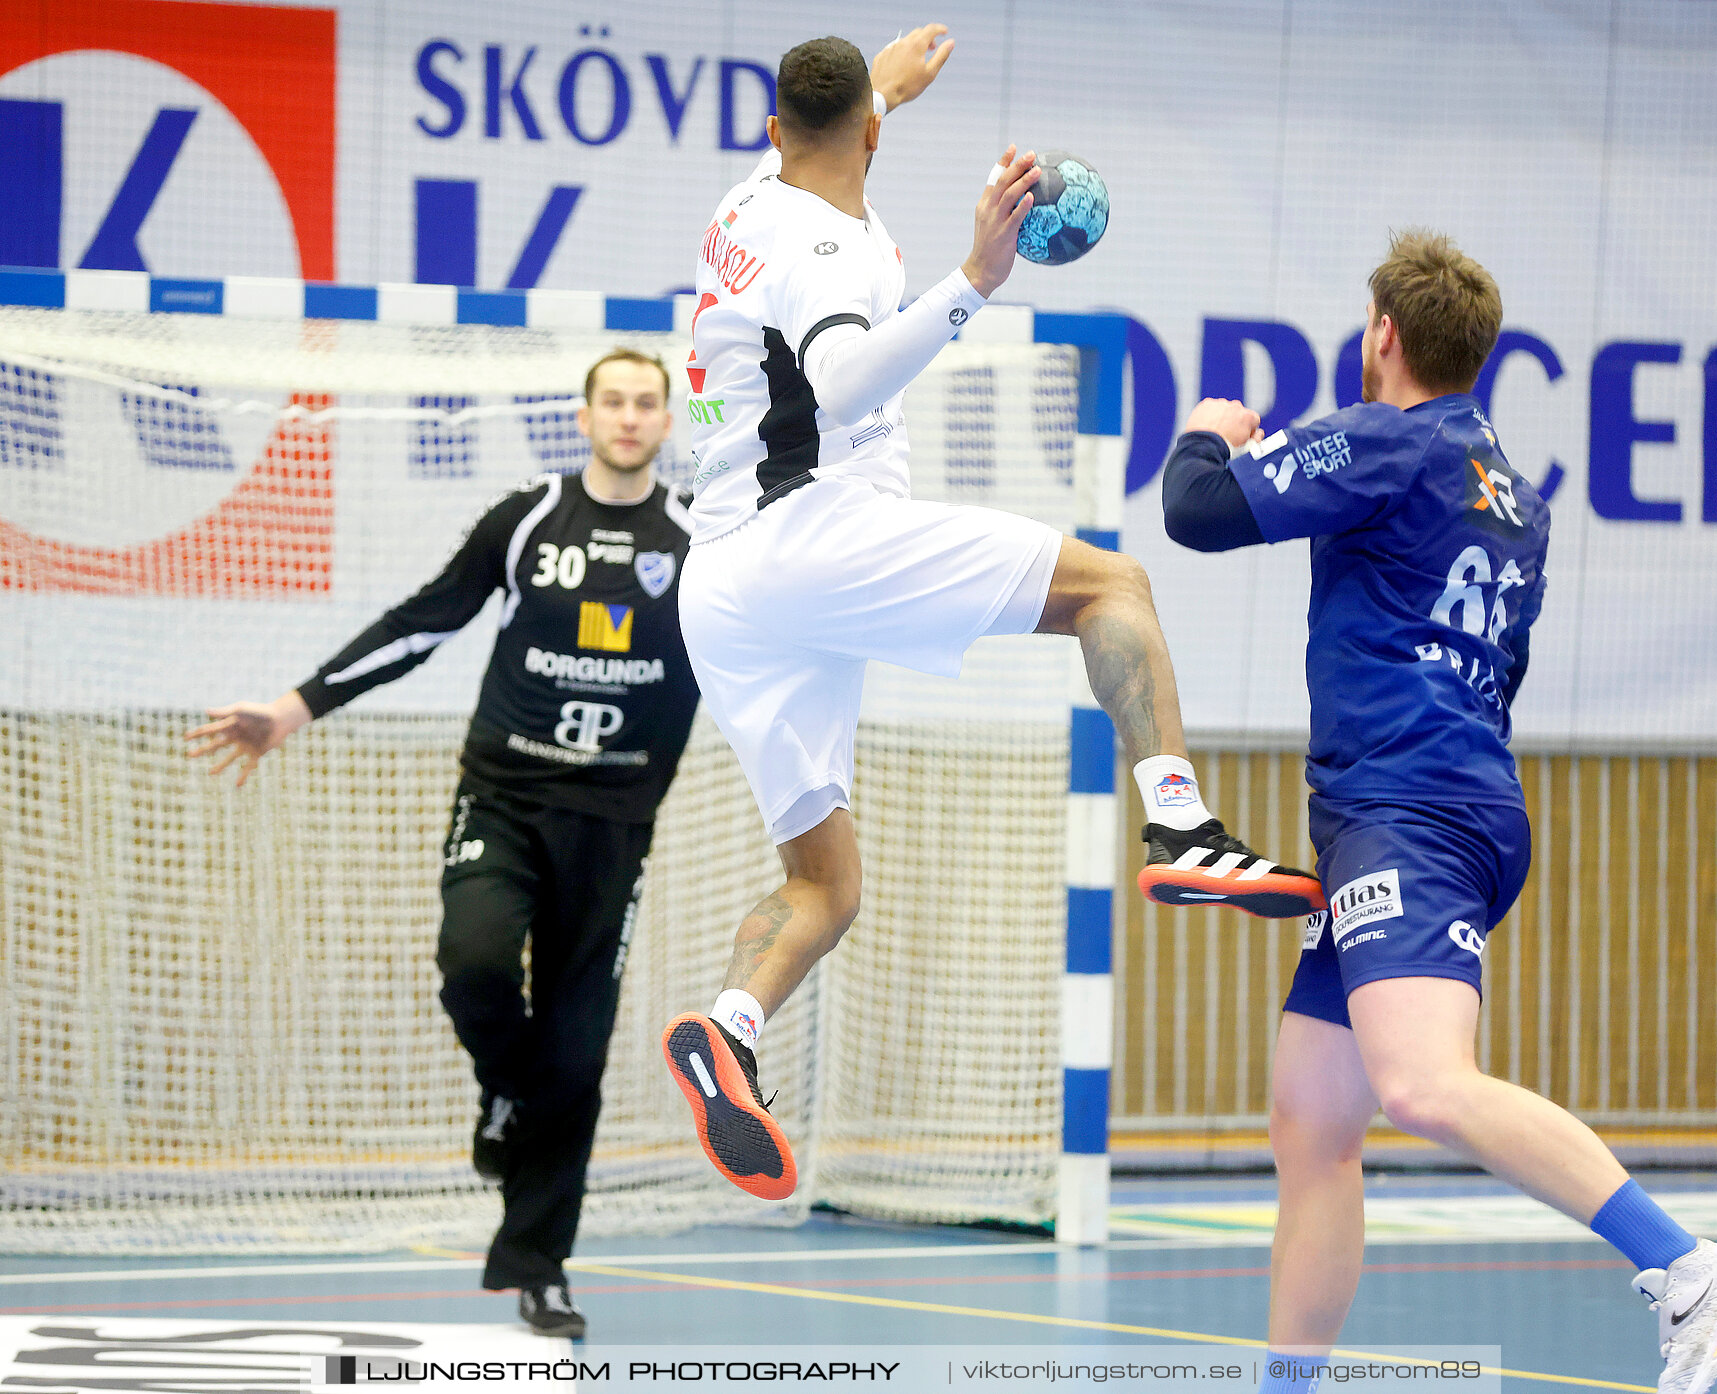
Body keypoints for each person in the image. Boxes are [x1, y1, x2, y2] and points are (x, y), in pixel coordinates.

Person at [655, 24, 1323, 1203]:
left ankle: (729, 1026)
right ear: (863, 130)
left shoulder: (745, 202)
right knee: (1113, 584)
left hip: (722, 582)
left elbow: (823, 141)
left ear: (775, 130)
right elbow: (846, 376)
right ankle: (1180, 828)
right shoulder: (840, 254)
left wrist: (885, 92)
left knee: (827, 882)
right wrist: (974, 280)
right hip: (816, 533)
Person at [1161, 231, 1717, 1394]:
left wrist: (1214, 430)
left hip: (1409, 814)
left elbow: (1195, 508)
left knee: (1423, 1084)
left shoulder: (1385, 439)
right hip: (1418, 809)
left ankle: (1688, 1265)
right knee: (1313, 1124)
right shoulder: (1516, 495)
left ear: (1382, 335)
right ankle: (1287, 1384)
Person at [183, 350, 698, 1339]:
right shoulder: (527, 519)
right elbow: (425, 620)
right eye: (614, 401)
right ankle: (504, 1084)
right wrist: (295, 707)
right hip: (503, 796)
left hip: (616, 825)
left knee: (579, 1054)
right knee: (472, 963)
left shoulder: (698, 539)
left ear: (665, 420)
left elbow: (753, 653)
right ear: (585, 415)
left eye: (646, 403)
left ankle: (539, 1263)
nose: (630, 418)